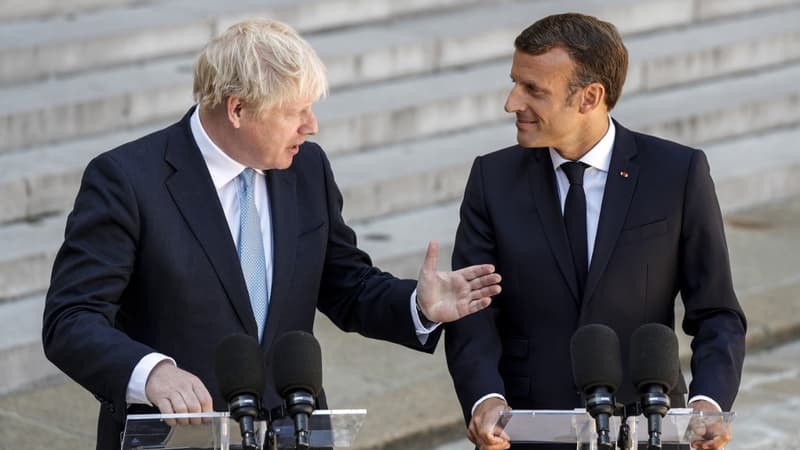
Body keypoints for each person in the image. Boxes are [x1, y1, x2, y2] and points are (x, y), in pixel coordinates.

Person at [41, 18, 502, 450]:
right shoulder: (127, 180)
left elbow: (345, 285)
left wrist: (417, 306)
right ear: (237, 109)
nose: (312, 125)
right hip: (177, 436)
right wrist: (153, 373)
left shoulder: (307, 168)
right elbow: (71, 319)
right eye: (295, 112)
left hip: (293, 430)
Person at [444, 13, 746, 450]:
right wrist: (484, 398)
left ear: (590, 97)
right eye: (515, 83)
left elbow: (717, 312)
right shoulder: (491, 179)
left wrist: (709, 402)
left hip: (650, 430)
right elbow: (473, 313)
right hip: (527, 432)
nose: (512, 103)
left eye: (533, 90)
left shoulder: (677, 173)